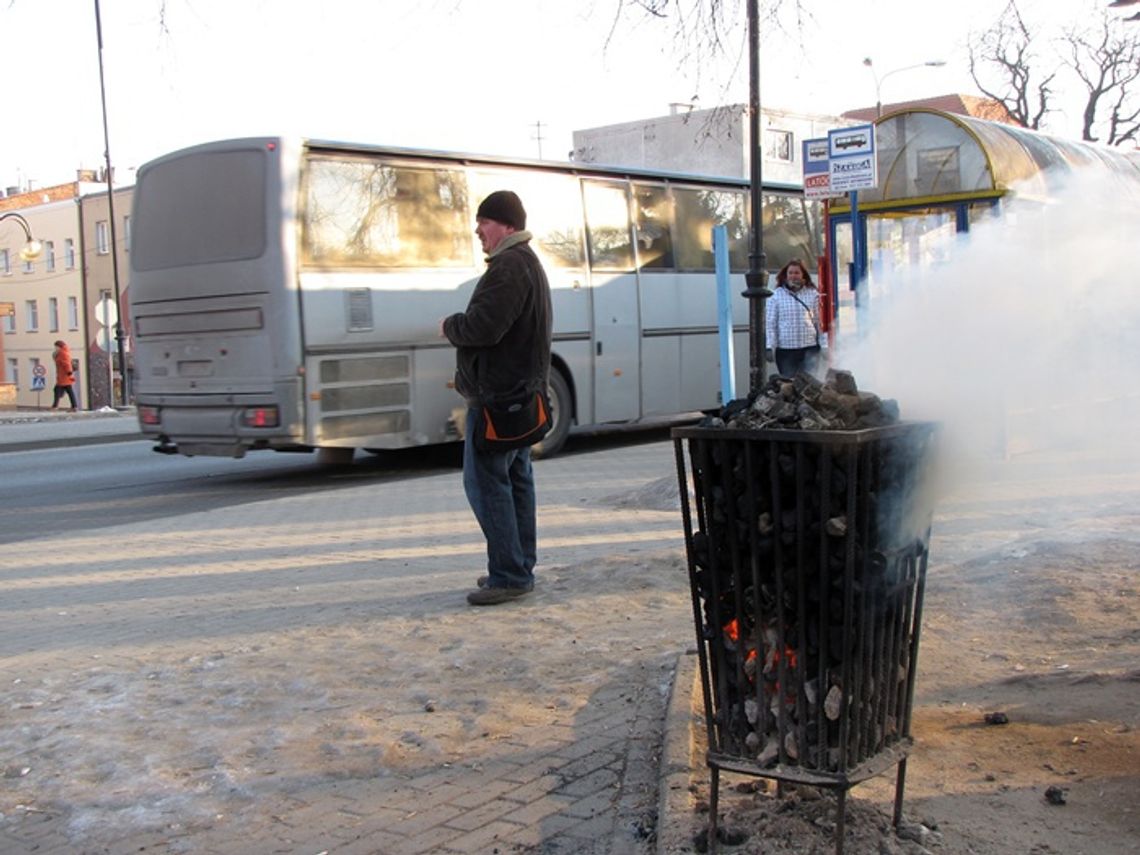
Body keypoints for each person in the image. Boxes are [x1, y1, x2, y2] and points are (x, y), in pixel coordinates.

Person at [441, 190, 553, 606]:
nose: (477, 231)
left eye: (483, 222)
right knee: (516, 481)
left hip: (499, 400)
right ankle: (517, 566)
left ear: (506, 224)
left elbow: (484, 327)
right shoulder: (527, 263)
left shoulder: (509, 266)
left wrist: (451, 325)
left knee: (486, 485)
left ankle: (509, 573)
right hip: (519, 397)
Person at [765, 259, 823, 378]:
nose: (793, 276)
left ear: (803, 275)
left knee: (810, 383)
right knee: (789, 384)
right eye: (790, 273)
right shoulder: (776, 296)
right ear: (785, 276)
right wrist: (769, 346)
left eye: (797, 273)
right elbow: (771, 324)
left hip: (809, 348)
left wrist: (824, 344)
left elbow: (819, 322)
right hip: (786, 350)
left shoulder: (813, 294)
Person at [51, 340, 78, 412]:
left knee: (57, 390)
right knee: (69, 391)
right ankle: (74, 406)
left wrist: (69, 372)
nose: (55, 348)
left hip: (64, 376)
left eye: (56, 347)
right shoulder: (61, 353)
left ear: (59, 346)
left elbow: (67, 363)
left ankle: (55, 406)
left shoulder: (63, 353)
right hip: (63, 375)